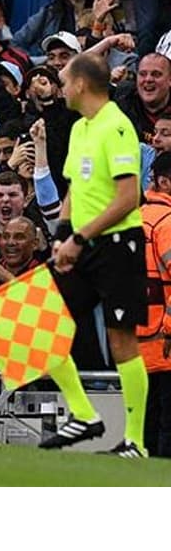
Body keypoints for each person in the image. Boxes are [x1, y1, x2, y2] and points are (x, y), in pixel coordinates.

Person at [39, 52, 149, 456]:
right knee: (36, 321)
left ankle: (134, 440)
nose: (60, 87)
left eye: (64, 80)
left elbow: (127, 198)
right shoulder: (81, 128)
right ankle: (84, 414)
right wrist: (62, 234)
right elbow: (73, 189)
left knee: (122, 339)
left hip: (118, 244)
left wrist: (79, 239)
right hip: (81, 244)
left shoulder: (116, 126)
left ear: (82, 84)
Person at [140, 151, 171, 457]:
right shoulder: (166, 222)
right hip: (165, 340)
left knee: (146, 423)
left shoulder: (134, 218)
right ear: (164, 181)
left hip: (138, 339)